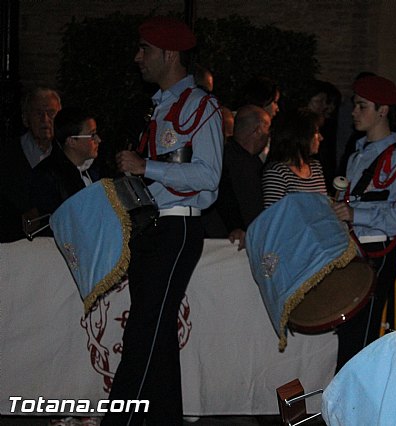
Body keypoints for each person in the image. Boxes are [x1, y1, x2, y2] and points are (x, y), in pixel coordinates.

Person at [102, 16, 223, 425]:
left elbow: (208, 177)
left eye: (145, 49)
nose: (138, 58)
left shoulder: (200, 105)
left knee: (142, 335)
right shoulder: (161, 105)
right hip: (153, 226)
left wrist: (146, 166)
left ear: (170, 54)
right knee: (157, 335)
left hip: (177, 227)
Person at [331, 75, 396, 371]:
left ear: (382, 111)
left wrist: (357, 215)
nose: (354, 112)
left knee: (363, 339)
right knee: (348, 335)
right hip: (353, 252)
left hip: (376, 255)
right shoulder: (357, 153)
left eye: (361, 105)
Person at [0, 87, 61, 242]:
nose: (45, 119)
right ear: (25, 118)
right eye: (39, 113)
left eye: (51, 113)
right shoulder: (8, 155)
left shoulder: (68, 154)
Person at [215, 104, 271, 249]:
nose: (269, 134)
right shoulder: (227, 159)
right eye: (268, 128)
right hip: (233, 244)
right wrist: (235, 226)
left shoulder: (251, 161)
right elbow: (225, 196)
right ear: (258, 130)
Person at [29, 107, 101, 219]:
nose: (98, 140)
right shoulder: (47, 177)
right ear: (71, 141)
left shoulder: (97, 169)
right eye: (92, 135)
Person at [262, 108, 326, 207]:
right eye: (316, 133)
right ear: (302, 137)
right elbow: (274, 216)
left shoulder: (315, 167)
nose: (321, 138)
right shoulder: (278, 173)